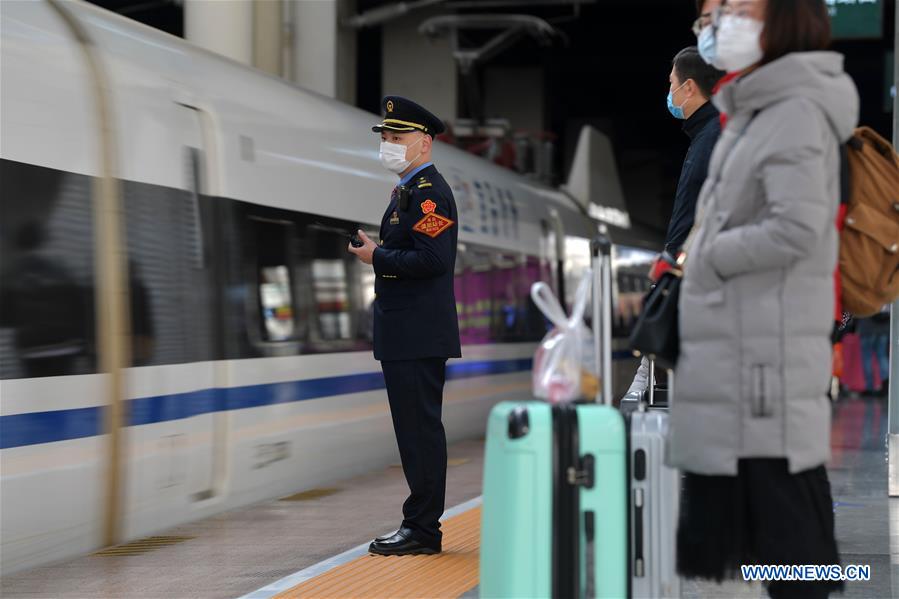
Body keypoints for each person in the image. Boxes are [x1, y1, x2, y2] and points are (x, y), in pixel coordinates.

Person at [671, 1, 859, 597]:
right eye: (711, 11)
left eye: (734, 6)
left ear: (787, 16)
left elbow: (796, 229)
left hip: (764, 368)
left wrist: (704, 256)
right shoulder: (755, 112)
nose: (716, 21)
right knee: (770, 543)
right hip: (745, 359)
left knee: (787, 546)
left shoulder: (794, 110)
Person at [348, 96, 461, 556]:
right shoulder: (408, 192)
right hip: (406, 333)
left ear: (424, 143)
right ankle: (419, 525)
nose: (389, 145)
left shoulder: (430, 191)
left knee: (420, 432)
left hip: (416, 334)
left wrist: (377, 257)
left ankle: (422, 529)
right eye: (386, 138)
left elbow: (435, 260)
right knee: (414, 431)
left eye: (398, 138)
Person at [626, 45, 724, 396]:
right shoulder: (705, 136)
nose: (669, 93)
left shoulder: (713, 138)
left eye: (672, 84)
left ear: (690, 87)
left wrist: (673, 262)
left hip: (693, 285)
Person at [857, 307, 890, 396]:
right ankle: (886, 386)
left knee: (867, 357)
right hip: (884, 327)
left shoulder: (866, 292)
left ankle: (869, 388)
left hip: (867, 326)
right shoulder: (887, 292)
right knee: (882, 356)